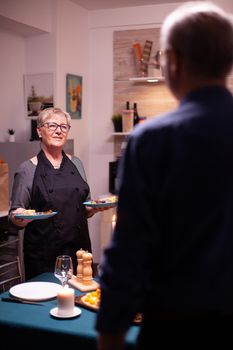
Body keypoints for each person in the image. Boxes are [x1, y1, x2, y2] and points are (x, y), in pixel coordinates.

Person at [96, 1, 233, 348]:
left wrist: (110, 334)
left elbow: (129, 250)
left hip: (175, 328)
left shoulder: (152, 139)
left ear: (172, 60)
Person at [9, 107, 109, 280]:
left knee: (82, 301)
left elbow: (84, 207)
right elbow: (15, 215)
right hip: (44, 255)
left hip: (80, 251)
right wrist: (19, 218)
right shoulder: (27, 169)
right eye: (52, 125)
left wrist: (95, 208)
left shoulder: (76, 163)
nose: (58, 130)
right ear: (39, 131)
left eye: (63, 126)